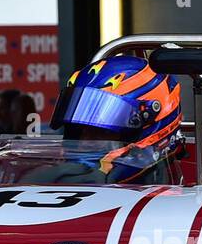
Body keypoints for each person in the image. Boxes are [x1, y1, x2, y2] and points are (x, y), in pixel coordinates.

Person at [10, 56, 182, 185]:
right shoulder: (50, 179)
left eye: (101, 131)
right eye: (79, 129)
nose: (84, 142)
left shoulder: (183, 205)